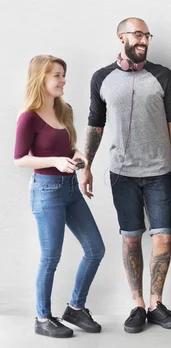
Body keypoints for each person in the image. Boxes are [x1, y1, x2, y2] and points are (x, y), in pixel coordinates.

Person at [81, 17, 171, 333]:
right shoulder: (101, 78)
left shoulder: (163, 76)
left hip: (159, 172)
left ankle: (156, 303)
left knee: (164, 237)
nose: (143, 40)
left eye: (147, 35)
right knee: (130, 239)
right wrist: (86, 164)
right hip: (121, 174)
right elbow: (95, 123)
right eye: (137, 34)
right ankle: (137, 304)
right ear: (121, 37)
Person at [14, 55, 105, 338]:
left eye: (63, 74)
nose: (63, 80)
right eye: (56, 75)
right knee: (50, 257)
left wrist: (77, 154)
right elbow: (19, 159)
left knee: (95, 250)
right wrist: (54, 161)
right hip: (47, 192)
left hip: (71, 190)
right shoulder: (29, 116)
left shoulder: (64, 109)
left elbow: (69, 146)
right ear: (40, 78)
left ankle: (75, 308)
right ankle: (43, 318)